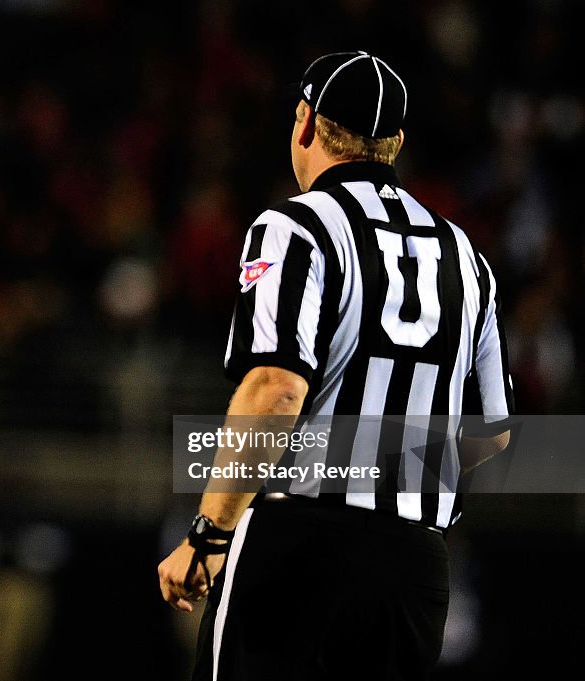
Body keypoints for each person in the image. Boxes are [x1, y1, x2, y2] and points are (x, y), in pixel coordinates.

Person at [157, 51, 514, 679]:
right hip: (414, 565)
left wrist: (210, 532)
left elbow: (275, 389)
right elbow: (492, 430)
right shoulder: (467, 257)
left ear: (303, 123)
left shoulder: (293, 226)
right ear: (395, 144)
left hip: (299, 542)